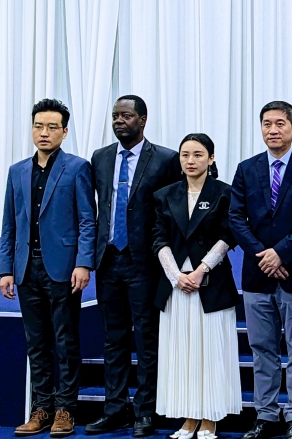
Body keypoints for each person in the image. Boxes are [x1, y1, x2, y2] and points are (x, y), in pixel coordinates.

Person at [86, 95, 183, 437]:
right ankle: (114, 409)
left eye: (125, 115)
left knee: (146, 339)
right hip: (109, 260)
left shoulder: (167, 159)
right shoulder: (99, 158)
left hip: (145, 263)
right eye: (115, 115)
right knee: (113, 340)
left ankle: (145, 411)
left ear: (142, 120)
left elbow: (171, 213)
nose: (118, 121)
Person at [229, 101, 292, 439]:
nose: (273, 129)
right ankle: (266, 414)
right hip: (257, 275)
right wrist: (263, 255)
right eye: (267, 123)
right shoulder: (246, 168)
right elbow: (235, 219)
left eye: (280, 123)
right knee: (262, 350)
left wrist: (281, 254)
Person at [0, 99, 96, 437]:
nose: (44, 132)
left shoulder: (77, 168)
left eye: (52, 127)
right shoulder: (17, 171)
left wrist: (84, 263)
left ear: (64, 131)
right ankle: (40, 409)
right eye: (39, 126)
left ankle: (65, 410)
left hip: (63, 269)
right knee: (36, 342)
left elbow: (88, 220)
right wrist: (5, 270)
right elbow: (9, 224)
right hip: (26, 269)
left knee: (65, 340)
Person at [152, 134, 242, 439]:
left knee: (210, 352)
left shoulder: (225, 193)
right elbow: (158, 237)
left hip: (211, 283)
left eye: (198, 155)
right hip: (177, 286)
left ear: (211, 159)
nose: (191, 161)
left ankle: (209, 417)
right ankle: (188, 417)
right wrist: (177, 276)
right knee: (181, 353)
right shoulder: (164, 195)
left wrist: (202, 270)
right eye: (185, 155)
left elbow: (229, 234)